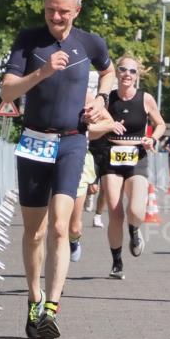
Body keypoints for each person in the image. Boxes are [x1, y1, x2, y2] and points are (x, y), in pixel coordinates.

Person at [0, 0, 115, 339]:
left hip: (72, 141)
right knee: (33, 232)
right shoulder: (29, 41)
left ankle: (52, 306)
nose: (56, 17)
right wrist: (42, 73)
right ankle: (33, 299)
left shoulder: (90, 42)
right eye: (51, 9)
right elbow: (7, 91)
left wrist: (102, 98)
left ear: (76, 11)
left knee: (61, 228)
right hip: (35, 140)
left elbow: (108, 71)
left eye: (64, 11)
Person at [99, 55, 166, 279]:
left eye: (132, 71)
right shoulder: (107, 99)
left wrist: (153, 139)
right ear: (117, 73)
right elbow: (91, 124)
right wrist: (108, 124)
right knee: (115, 213)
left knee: (136, 210)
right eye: (123, 69)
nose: (127, 74)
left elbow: (160, 124)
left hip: (138, 156)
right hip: (112, 156)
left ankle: (135, 230)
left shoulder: (145, 99)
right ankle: (117, 261)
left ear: (138, 76)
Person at [69, 92, 116, 263]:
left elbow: (109, 123)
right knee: (54, 227)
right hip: (47, 156)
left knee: (73, 227)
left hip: (78, 158)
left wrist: (84, 128)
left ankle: (73, 240)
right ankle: (54, 282)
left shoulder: (86, 97)